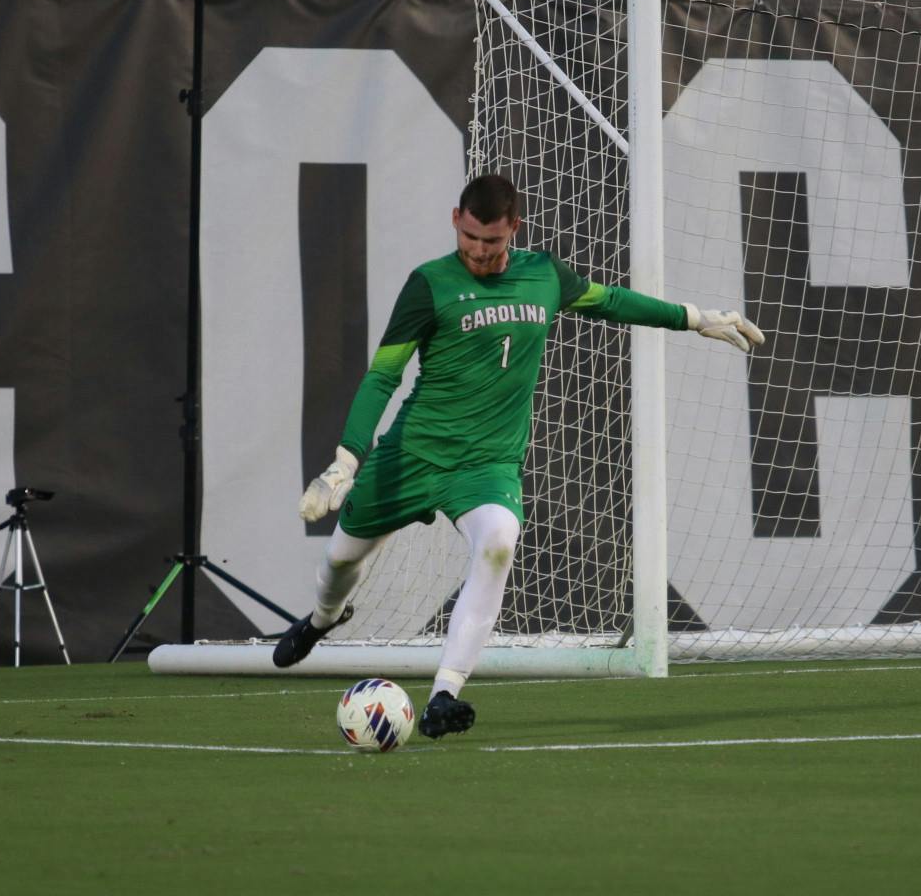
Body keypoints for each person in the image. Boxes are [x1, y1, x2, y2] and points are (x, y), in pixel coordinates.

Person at [275, 173, 763, 737]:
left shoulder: (544, 275)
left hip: (485, 467)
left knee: (497, 546)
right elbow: (383, 375)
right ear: (455, 219)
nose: (480, 253)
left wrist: (694, 317)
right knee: (339, 562)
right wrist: (346, 461)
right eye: (471, 240)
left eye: (493, 242)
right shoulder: (428, 284)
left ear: (515, 229)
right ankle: (321, 620)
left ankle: (443, 695)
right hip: (410, 457)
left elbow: (612, 302)